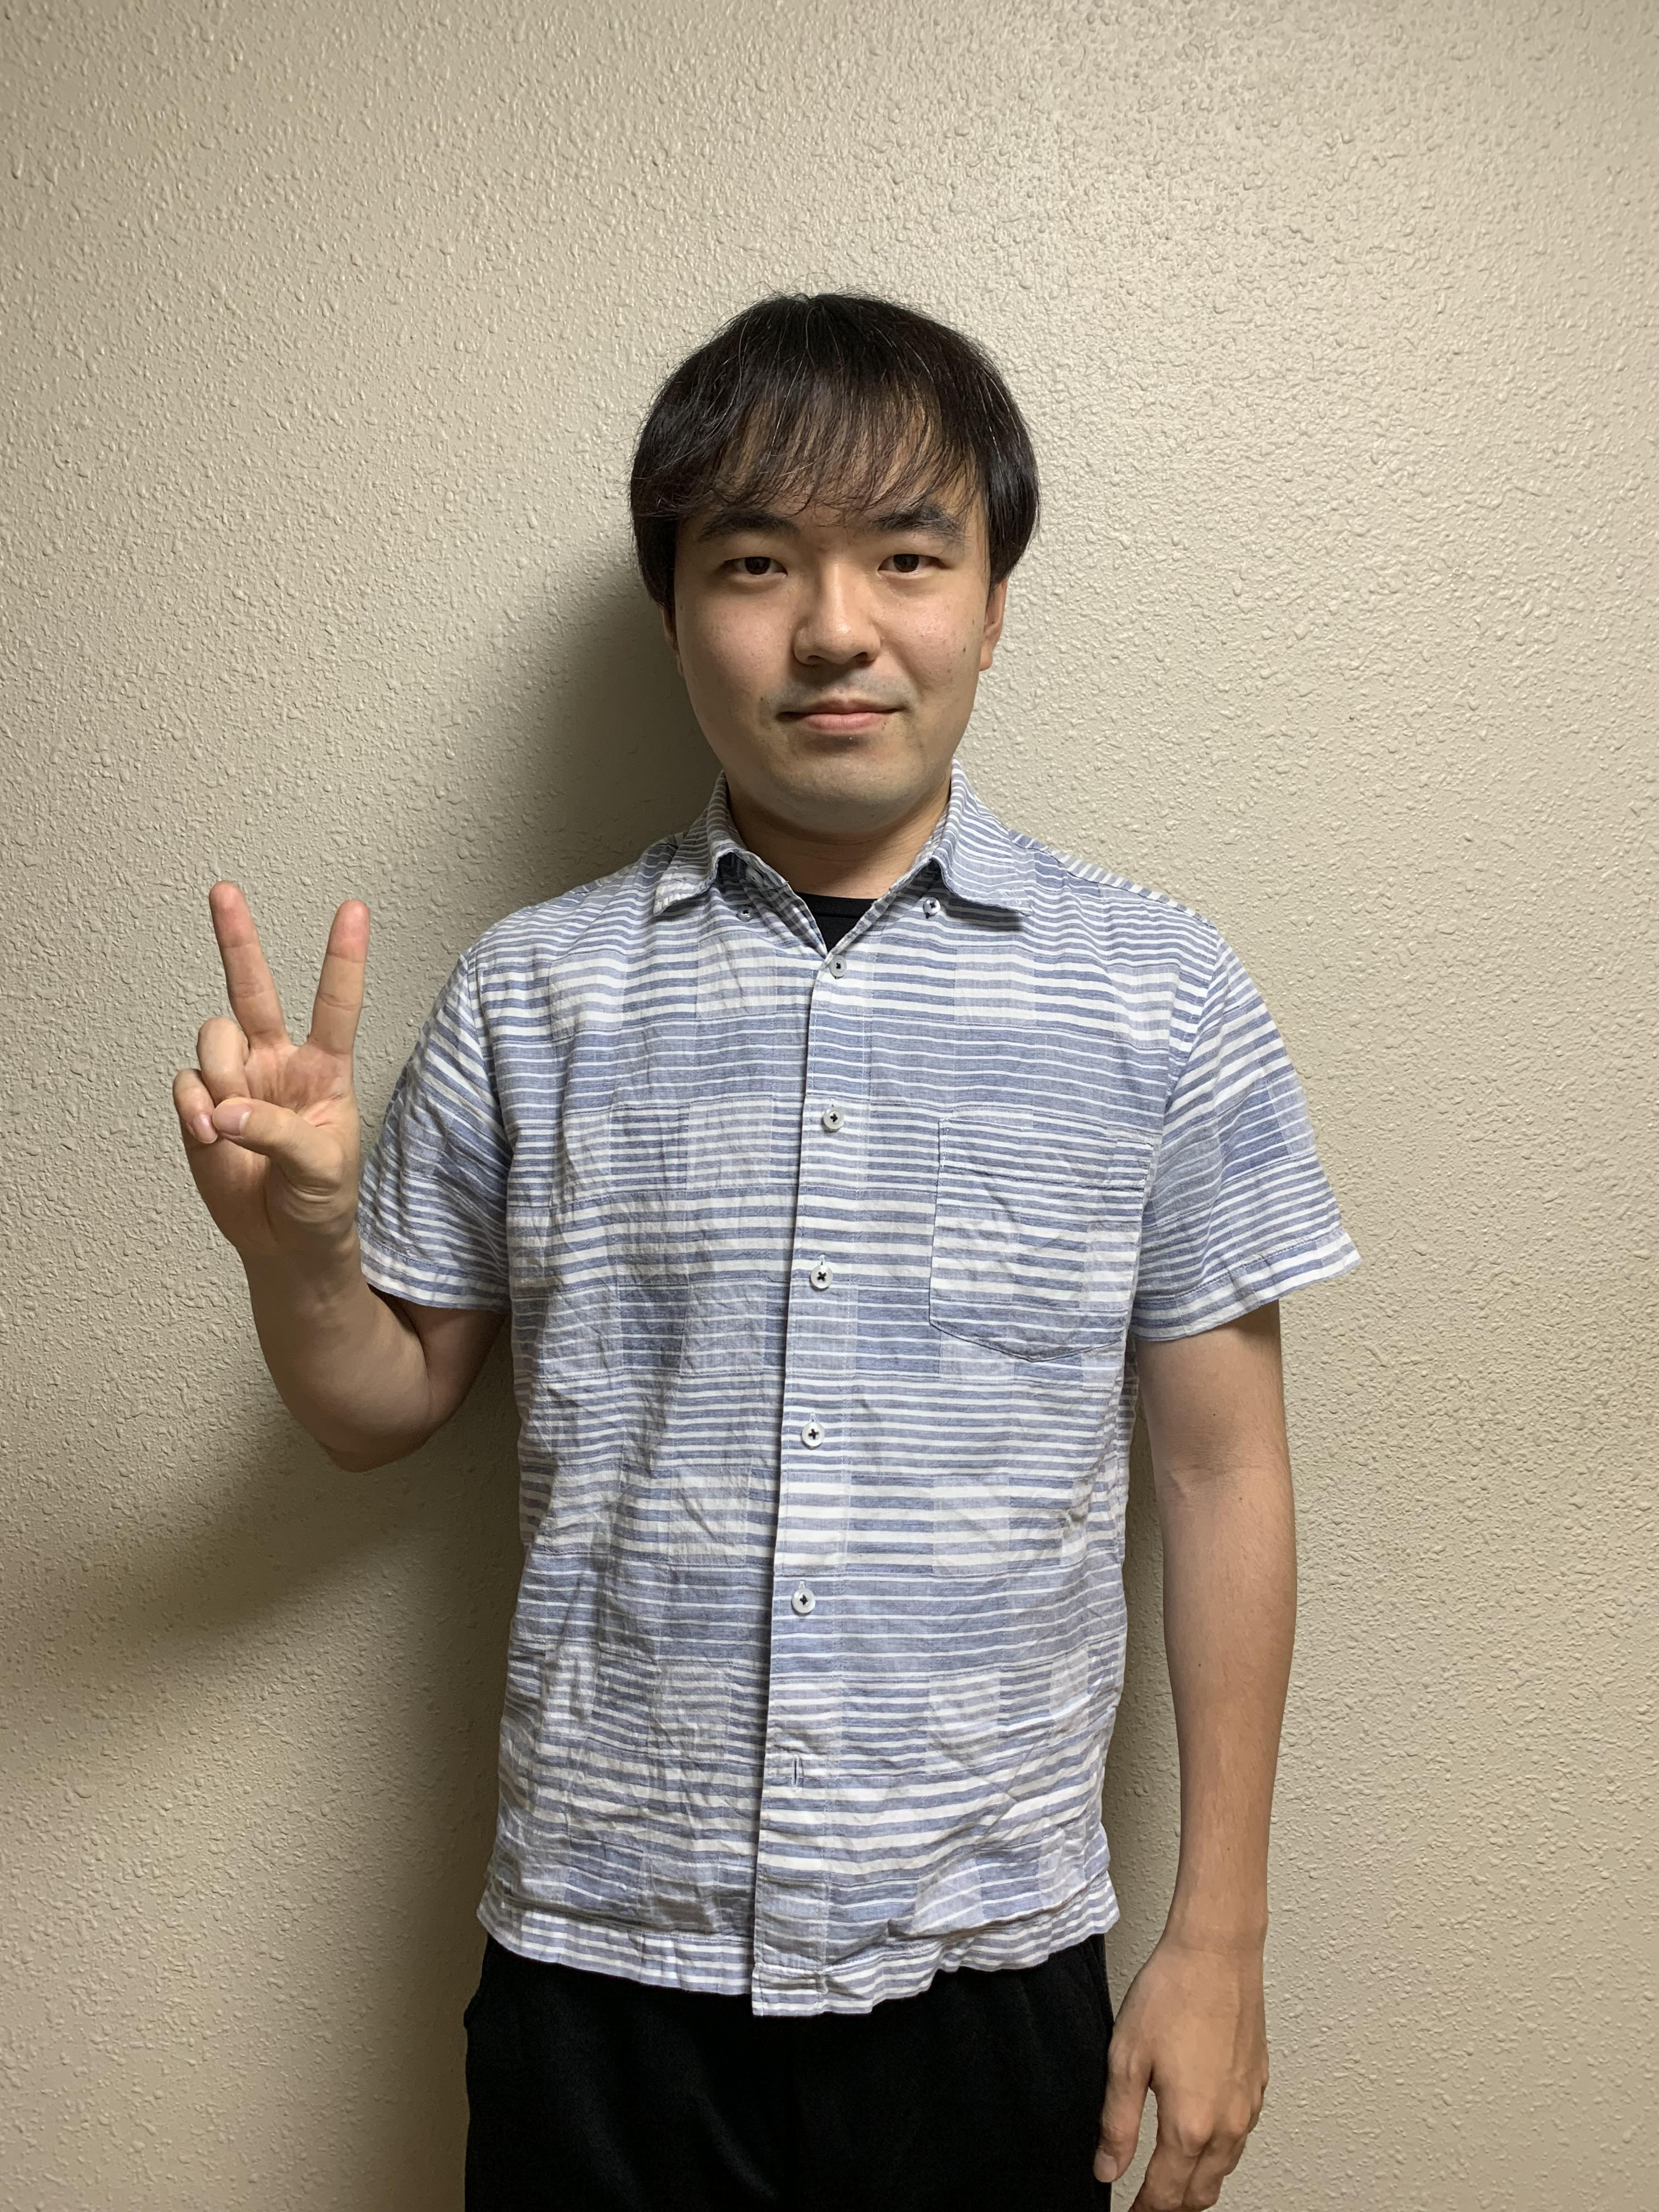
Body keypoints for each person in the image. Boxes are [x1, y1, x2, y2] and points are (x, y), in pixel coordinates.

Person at [173, 292, 1359, 2211]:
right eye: (755, 563)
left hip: (986, 1962)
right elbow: (374, 1409)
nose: (834, 628)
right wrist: (296, 1252)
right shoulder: (535, 995)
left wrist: (1220, 1937)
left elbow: (1225, 1478)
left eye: (909, 556)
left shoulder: (1162, 996)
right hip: (599, 1961)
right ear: (675, 613)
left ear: (994, 600)